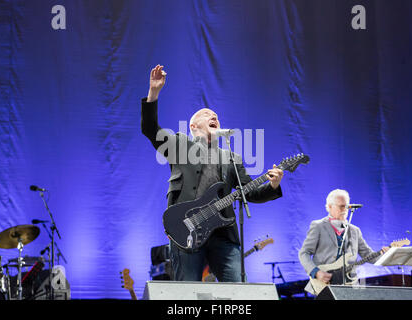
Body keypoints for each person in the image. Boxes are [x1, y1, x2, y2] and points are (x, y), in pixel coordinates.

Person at [141, 64, 284, 282]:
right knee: (187, 293)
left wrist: (273, 185)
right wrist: (154, 92)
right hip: (186, 230)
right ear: (193, 125)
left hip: (223, 233)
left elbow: (250, 193)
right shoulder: (179, 145)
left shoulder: (232, 159)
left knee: (237, 292)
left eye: (216, 115)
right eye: (207, 114)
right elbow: (150, 128)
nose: (214, 116)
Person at [298, 189, 387, 294]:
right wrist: (316, 272)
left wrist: (388, 255)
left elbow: (368, 255)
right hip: (325, 283)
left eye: (346, 206)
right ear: (330, 207)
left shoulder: (354, 230)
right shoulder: (318, 226)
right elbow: (304, 253)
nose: (345, 210)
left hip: (350, 285)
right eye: (341, 206)